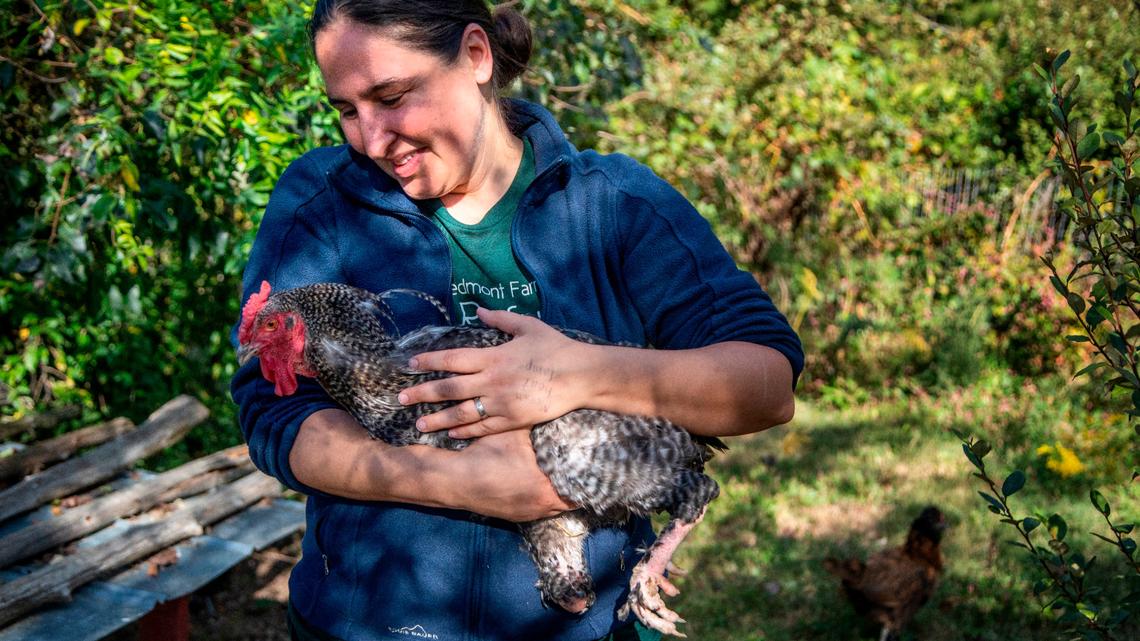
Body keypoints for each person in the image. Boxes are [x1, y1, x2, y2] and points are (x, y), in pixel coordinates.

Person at [230, 1, 804, 640]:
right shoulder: (323, 203)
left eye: (391, 96)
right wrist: (464, 483)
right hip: (363, 625)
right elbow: (271, 411)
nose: (370, 138)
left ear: (476, 56)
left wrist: (582, 374)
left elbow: (767, 385)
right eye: (346, 109)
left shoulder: (612, 206)